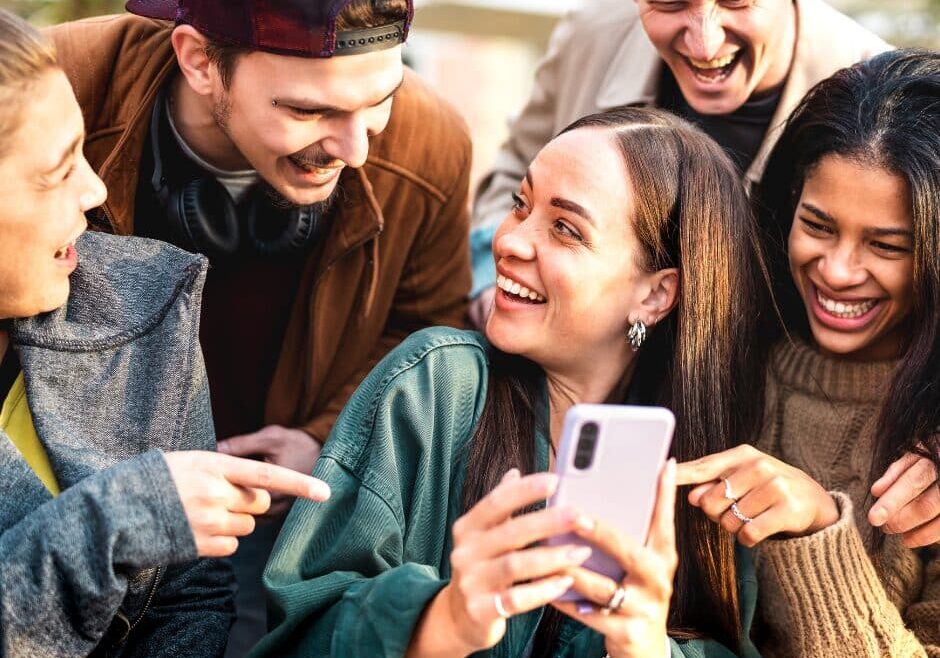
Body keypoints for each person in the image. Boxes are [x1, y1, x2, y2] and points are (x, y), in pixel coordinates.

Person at [251, 106, 771, 658]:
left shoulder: (703, 477)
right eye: (521, 204)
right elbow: (298, 634)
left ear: (655, 294)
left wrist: (648, 650)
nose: (510, 241)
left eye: (566, 229)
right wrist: (442, 620)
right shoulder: (434, 387)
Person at [44, 0, 472, 649]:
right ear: (198, 61)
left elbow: (420, 328)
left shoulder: (431, 141)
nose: (357, 149)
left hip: (272, 518)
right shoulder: (50, 89)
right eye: (307, 110)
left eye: (381, 100)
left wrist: (327, 440)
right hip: (64, 494)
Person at [0, 10, 332, 656]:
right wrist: (114, 521)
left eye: (85, 153)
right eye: (58, 171)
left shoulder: (147, 304)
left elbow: (193, 595)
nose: (95, 190)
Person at [677, 49, 940, 657]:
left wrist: (820, 529)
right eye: (818, 226)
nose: (838, 271)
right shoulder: (719, 348)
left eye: (887, 246)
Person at [467, 0, 890, 317]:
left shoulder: (887, 94)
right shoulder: (590, 34)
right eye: (670, 2)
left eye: (736, 1)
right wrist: (493, 280)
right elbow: (515, 169)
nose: (704, 44)